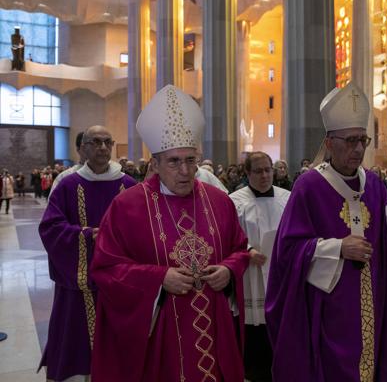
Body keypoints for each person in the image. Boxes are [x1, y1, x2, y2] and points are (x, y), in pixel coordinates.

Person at [90, 85, 250, 381]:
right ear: (155, 164)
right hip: (160, 339)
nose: (185, 171)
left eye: (191, 160)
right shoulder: (127, 207)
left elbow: (241, 249)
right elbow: (106, 268)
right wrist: (158, 278)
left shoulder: (220, 202)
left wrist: (228, 270)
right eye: (174, 162)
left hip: (214, 329)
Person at [265, 81, 387, 381]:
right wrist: (337, 248)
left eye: (363, 140)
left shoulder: (374, 184)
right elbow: (288, 251)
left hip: (375, 300)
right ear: (330, 143)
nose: (358, 148)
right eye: (350, 141)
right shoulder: (308, 187)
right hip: (330, 311)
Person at [38, 125, 136, 382]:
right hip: (79, 283)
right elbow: (50, 227)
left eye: (107, 142)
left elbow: (145, 229)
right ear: (83, 148)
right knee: (76, 339)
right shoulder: (68, 185)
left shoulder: (129, 185)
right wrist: (85, 235)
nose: (102, 147)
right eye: (95, 142)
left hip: (120, 280)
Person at [230, 152, 290, 382]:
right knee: (255, 329)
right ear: (247, 173)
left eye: (268, 170)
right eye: (258, 171)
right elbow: (228, 235)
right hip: (250, 276)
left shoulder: (287, 198)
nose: (265, 175)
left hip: (279, 273)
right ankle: (254, 373)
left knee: (279, 325)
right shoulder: (235, 201)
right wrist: (246, 251)